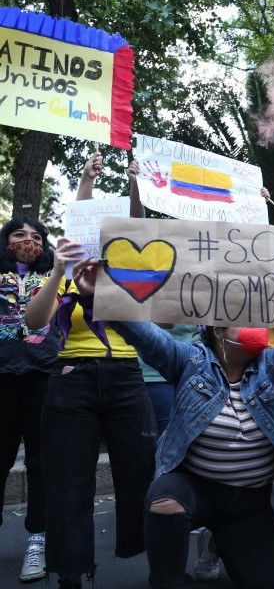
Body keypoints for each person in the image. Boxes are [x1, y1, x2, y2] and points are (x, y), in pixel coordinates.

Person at [63, 256, 274, 589]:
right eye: (243, 319)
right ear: (218, 333)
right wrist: (99, 294)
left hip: (250, 504)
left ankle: (216, 541)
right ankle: (169, 580)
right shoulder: (189, 360)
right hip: (195, 490)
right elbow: (145, 334)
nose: (256, 326)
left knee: (267, 582)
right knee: (164, 502)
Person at [24, 155, 157, 589]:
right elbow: (33, 322)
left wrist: (136, 187)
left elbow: (137, 228)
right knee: (67, 483)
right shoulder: (64, 275)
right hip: (70, 381)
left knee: (139, 474)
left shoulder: (128, 277)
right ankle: (71, 574)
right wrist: (85, 180)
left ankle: (156, 559)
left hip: (126, 379)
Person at [0, 216, 58, 582]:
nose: (28, 240)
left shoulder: (55, 273)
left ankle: (37, 539)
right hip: (2, 377)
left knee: (41, 463)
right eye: (19, 234)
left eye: (36, 236)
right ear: (5, 240)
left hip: (43, 375)